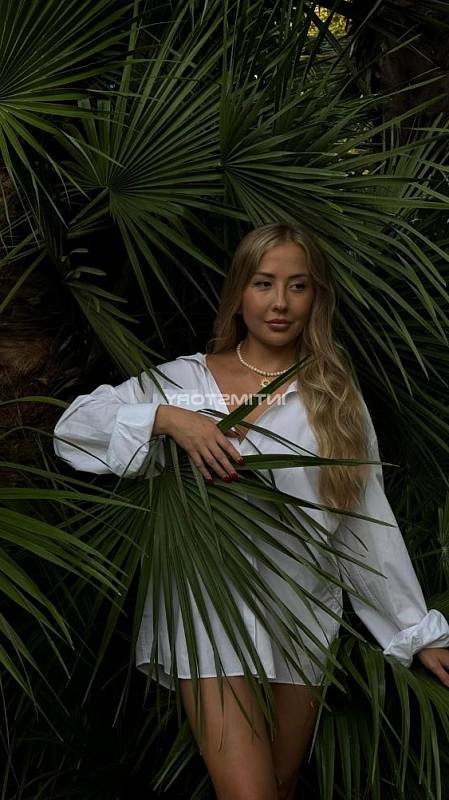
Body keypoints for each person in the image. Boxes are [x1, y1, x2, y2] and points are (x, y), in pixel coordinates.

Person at [53, 224, 449, 800]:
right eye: (264, 283)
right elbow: (72, 429)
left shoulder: (333, 397)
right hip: (207, 608)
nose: (280, 302)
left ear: (316, 298)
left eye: (298, 285)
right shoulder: (185, 382)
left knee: (280, 787)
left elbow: (365, 525)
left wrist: (416, 631)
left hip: (301, 611)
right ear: (240, 292)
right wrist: (168, 419)